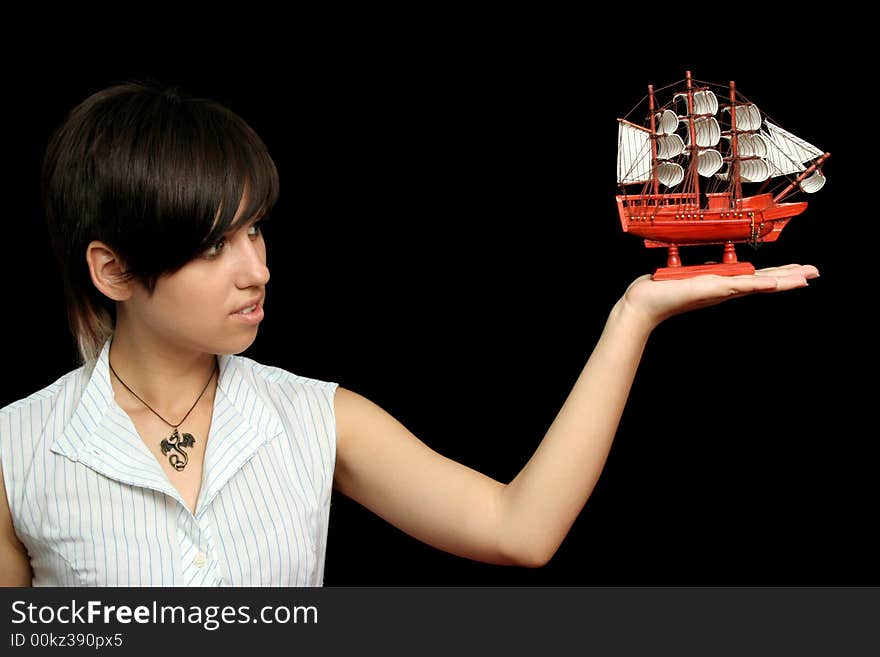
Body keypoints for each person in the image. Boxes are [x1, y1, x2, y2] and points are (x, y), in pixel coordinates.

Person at [0, 80, 818, 586]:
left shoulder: (318, 417)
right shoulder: (16, 451)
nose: (257, 270)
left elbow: (518, 529)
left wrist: (633, 314)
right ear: (112, 271)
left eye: (257, 232)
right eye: (214, 245)